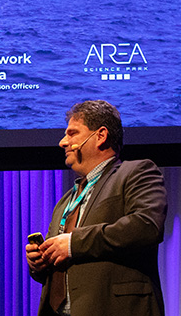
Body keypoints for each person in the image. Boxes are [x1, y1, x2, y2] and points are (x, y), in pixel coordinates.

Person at [26, 100, 166, 316]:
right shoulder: (66, 200)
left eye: (72, 133)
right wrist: (41, 262)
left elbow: (145, 226)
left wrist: (74, 243)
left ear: (100, 135)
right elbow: (63, 261)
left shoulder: (136, 172)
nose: (63, 142)